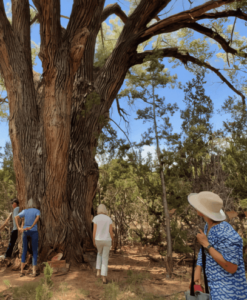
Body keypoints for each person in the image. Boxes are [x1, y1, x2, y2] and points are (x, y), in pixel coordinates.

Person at [188, 191, 247, 300]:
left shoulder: (227, 234)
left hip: (229, 292)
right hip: (214, 288)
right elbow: (204, 250)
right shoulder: (208, 226)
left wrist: (207, 244)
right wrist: (197, 271)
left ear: (203, 211)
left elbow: (232, 267)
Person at [15, 198, 40, 277]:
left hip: (25, 231)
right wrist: (32, 226)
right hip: (33, 232)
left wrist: (18, 227)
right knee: (34, 251)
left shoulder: (25, 211)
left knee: (24, 250)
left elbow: (16, 217)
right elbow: (37, 218)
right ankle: (34, 272)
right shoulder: (37, 210)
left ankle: (22, 271)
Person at [92, 204, 114, 284]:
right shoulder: (108, 219)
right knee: (105, 257)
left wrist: (93, 240)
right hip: (107, 240)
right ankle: (104, 277)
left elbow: (94, 231)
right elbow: (110, 232)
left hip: (98, 239)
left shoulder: (96, 218)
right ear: (105, 210)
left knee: (99, 254)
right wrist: (112, 240)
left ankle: (98, 270)